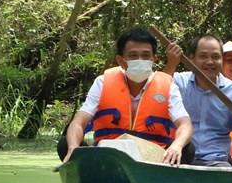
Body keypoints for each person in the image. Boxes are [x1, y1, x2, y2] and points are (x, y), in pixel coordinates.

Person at [58, 27, 193, 165]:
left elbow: (185, 124)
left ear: (154, 59)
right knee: (65, 144)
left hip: (153, 158)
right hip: (109, 155)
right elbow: (78, 122)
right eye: (133, 56)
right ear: (121, 60)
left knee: (187, 149)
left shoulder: (167, 85)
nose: (140, 60)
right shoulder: (103, 82)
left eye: (146, 56)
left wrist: (177, 145)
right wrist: (73, 148)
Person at [167, 34, 232, 166]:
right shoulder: (178, 81)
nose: (210, 62)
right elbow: (158, 94)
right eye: (203, 56)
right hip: (179, 155)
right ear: (192, 59)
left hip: (216, 160)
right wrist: (171, 64)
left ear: (222, 60)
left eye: (215, 57)